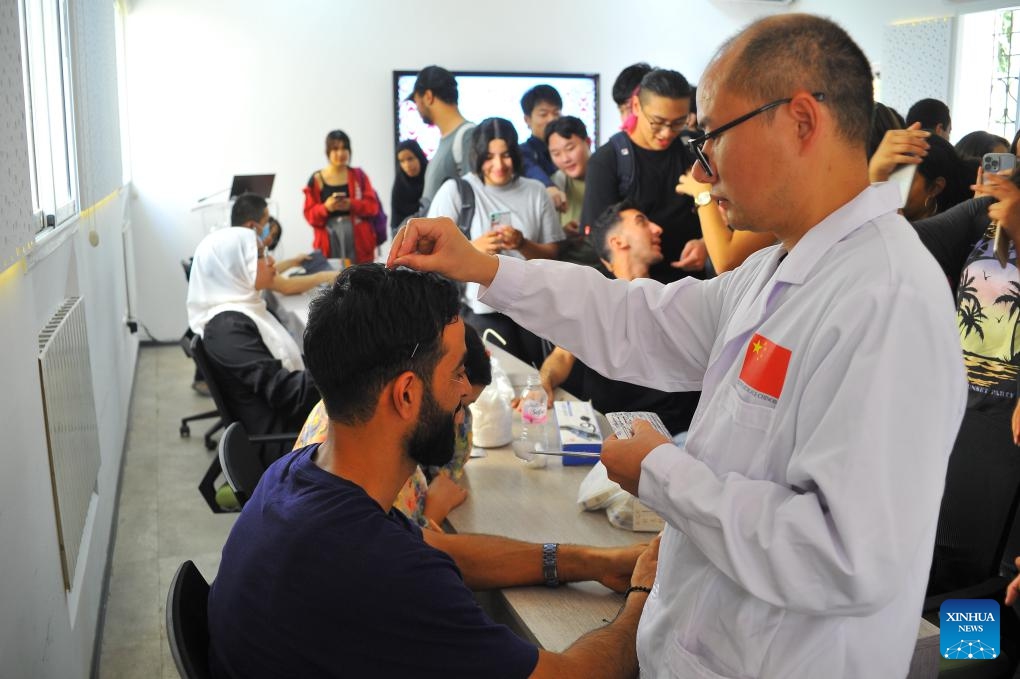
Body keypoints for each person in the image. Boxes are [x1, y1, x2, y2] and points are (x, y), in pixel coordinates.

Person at [390, 13, 967, 678]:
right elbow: (641, 319)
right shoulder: (780, 269)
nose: (701, 164)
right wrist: (487, 269)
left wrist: (665, 473)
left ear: (801, 120)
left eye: (713, 135)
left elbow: (845, 556)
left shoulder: (887, 297)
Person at [206, 263, 660, 679]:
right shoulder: (382, 572)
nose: (465, 392)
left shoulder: (297, 473)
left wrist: (598, 562)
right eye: (457, 373)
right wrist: (643, 596)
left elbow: (440, 553)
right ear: (406, 395)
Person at [910, 169, 1020, 594]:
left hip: (1007, 441)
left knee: (991, 579)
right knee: (938, 560)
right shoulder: (986, 212)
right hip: (955, 419)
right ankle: (935, 660)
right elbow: (895, 246)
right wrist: (888, 177)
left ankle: (971, 657)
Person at [291, 322, 492, 531]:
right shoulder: (375, 473)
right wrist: (432, 513)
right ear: (407, 392)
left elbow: (451, 461)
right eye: (459, 404)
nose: (460, 420)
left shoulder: (357, 404)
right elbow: (393, 550)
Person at [537, 202, 699, 437]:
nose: (657, 229)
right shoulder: (592, 297)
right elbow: (562, 355)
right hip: (609, 432)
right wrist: (544, 381)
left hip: (675, 434)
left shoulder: (679, 292)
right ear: (618, 242)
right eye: (642, 222)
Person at [427, 117, 561, 367]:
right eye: (488, 157)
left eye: (506, 155)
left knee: (536, 382)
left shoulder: (535, 191)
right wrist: (471, 250)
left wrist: (522, 243)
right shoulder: (456, 191)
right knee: (493, 386)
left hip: (533, 310)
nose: (498, 165)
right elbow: (429, 254)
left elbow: (553, 255)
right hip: (482, 313)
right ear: (476, 156)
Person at [186, 228, 319, 436]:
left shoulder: (249, 309)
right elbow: (288, 394)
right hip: (287, 441)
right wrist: (340, 365)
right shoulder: (227, 329)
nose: (271, 260)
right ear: (231, 266)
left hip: (294, 423)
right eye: (259, 254)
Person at [581, 68, 706, 284]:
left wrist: (706, 245)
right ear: (636, 106)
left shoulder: (694, 150)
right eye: (657, 122)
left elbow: (726, 213)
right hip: (632, 289)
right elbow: (598, 239)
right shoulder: (608, 161)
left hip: (691, 285)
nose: (667, 133)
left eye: (678, 122)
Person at [231, 192, 338, 294]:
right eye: (266, 222)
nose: (268, 227)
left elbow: (266, 271)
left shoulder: (236, 244)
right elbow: (286, 286)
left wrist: (294, 262)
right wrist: (323, 277)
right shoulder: (243, 252)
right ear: (251, 226)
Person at [301, 129, 381, 264]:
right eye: (335, 148)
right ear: (328, 151)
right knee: (332, 280)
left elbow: (373, 207)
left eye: (344, 148)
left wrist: (351, 204)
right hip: (329, 242)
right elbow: (309, 215)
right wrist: (326, 207)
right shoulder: (316, 179)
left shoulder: (359, 176)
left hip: (360, 243)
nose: (341, 153)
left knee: (361, 280)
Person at [869, 123, 974, 220]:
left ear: (935, 188)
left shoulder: (934, 237)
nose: (889, 188)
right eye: (888, 176)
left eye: (903, 179)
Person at [409, 65, 476, 210]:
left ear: (428, 97)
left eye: (416, 101)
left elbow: (475, 200)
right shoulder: (449, 139)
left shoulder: (467, 137)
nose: (417, 108)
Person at [544, 116, 601, 268]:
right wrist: (563, 234)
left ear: (588, 142)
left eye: (570, 149)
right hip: (569, 267)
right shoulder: (553, 184)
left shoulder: (608, 175)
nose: (565, 159)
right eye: (556, 154)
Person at [519, 84, 566, 211]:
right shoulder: (523, 151)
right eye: (543, 114)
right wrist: (549, 187)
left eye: (556, 113)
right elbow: (531, 168)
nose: (552, 119)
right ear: (527, 119)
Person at [391, 139, 429, 230]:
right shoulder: (399, 186)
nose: (407, 165)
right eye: (402, 161)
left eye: (410, 159)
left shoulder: (431, 178)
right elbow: (395, 224)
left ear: (419, 156)